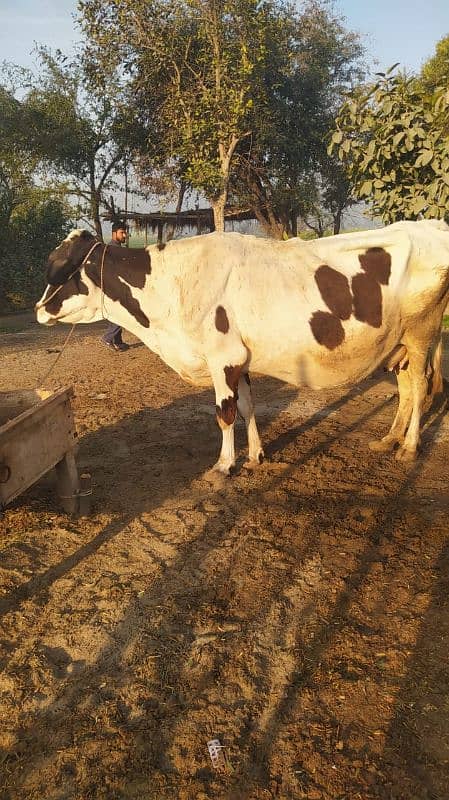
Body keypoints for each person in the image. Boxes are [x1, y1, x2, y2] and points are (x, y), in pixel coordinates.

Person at [101, 221, 130, 351]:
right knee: (121, 314)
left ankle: (117, 341)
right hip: (114, 287)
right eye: (122, 232)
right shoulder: (112, 249)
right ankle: (107, 338)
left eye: (125, 232)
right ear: (114, 233)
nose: (125, 235)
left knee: (117, 313)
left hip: (117, 286)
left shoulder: (116, 248)